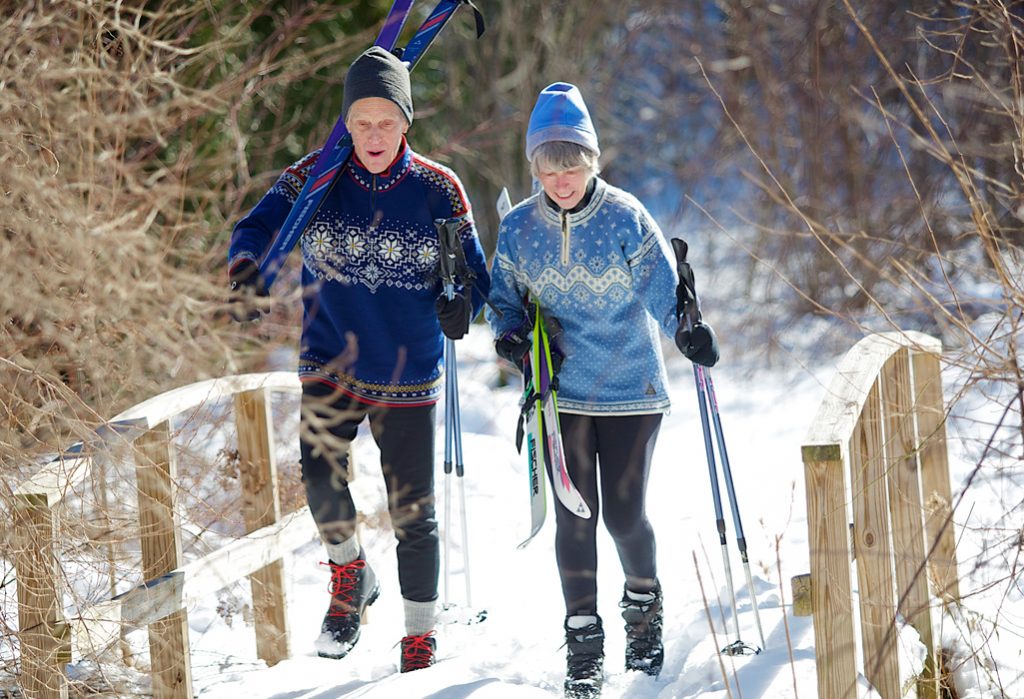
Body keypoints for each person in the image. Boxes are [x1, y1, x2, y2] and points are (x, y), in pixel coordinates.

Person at [228, 46, 489, 672]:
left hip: (407, 368)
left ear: (406, 122)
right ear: (346, 122)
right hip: (330, 357)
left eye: (386, 121)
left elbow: (476, 280)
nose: (373, 134)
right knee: (319, 479)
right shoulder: (317, 176)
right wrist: (245, 270)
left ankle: (419, 638)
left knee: (412, 513)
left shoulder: (437, 188)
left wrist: (464, 308)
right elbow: (256, 227)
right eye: (361, 121)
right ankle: (350, 579)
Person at [486, 82, 718, 698]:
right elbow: (502, 305)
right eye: (549, 166)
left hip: (631, 387)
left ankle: (643, 610)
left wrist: (688, 331)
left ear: (593, 161)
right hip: (559, 391)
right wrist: (511, 342)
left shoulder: (623, 215)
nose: (561, 179)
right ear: (534, 166)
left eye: (573, 164)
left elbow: (664, 292)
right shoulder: (517, 229)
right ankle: (583, 646)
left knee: (621, 513)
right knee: (573, 516)